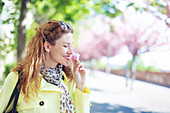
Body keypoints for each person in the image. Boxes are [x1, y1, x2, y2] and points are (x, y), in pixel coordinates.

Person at [0, 20, 91, 113]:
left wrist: (80, 84)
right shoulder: (19, 79)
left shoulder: (69, 81)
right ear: (47, 46)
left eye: (71, 46)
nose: (71, 51)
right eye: (65, 46)